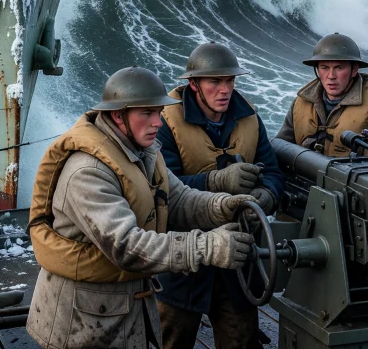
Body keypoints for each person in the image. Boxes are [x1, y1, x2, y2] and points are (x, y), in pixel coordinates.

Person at [27, 67, 262, 349]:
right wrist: (208, 247)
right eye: (147, 114)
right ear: (118, 115)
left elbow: (178, 199)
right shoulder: (87, 171)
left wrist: (225, 206)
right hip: (82, 321)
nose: (158, 122)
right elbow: (126, 245)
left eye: (158, 112)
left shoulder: (143, 152)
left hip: (118, 308)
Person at [155, 42, 285, 349]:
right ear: (193, 84)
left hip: (237, 255)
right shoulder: (164, 121)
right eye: (215, 81)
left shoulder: (250, 116)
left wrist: (266, 197)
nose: (224, 89)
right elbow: (162, 190)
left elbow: (275, 175)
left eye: (230, 81)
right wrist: (215, 180)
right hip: (185, 253)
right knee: (172, 337)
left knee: (241, 339)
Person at [276, 33, 368, 156]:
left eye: (339, 68)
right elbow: (281, 148)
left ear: (354, 70)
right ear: (317, 70)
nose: (331, 76)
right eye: (324, 67)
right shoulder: (301, 102)